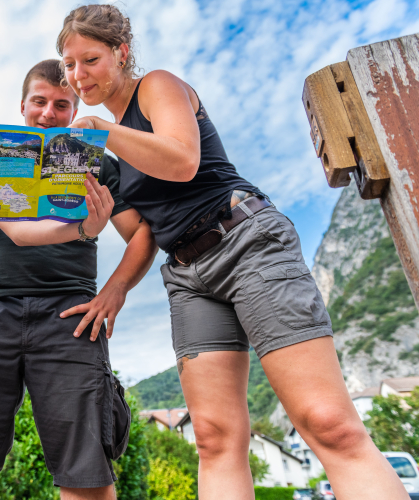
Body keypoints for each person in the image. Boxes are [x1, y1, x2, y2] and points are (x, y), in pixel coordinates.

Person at [56, 5, 410, 500]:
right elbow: (145, 232)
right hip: (186, 276)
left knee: (327, 422)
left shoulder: (156, 86)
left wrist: (101, 131)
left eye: (88, 59)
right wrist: (110, 285)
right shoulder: (113, 152)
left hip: (245, 242)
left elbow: (182, 160)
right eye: (68, 65)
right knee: (215, 439)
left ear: (121, 52)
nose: (77, 75)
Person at [0, 59, 158, 500]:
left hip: (70, 317)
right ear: (23, 105)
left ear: (74, 110)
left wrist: (114, 291)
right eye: (40, 102)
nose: (49, 113)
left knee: (86, 471)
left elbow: (143, 233)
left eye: (61, 104)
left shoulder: (100, 167)